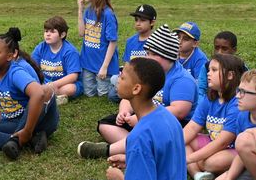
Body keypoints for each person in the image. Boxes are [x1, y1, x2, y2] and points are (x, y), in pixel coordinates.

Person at [73, 57, 197, 180]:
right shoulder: (166, 116)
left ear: (136, 89)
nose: (117, 80)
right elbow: (163, 158)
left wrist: (119, 178)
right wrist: (129, 158)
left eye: (122, 78)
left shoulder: (140, 135)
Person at [80, 24, 197, 159]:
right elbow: (130, 95)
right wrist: (124, 111)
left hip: (171, 123)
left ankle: (109, 150)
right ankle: (142, 147)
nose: (148, 58)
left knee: (153, 132)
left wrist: (144, 119)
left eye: (153, 54)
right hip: (143, 116)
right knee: (105, 125)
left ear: (169, 56)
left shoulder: (182, 79)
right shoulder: (147, 72)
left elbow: (179, 111)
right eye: (147, 53)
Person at [0, 28, 59, 160]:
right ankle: (29, 138)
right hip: (12, 122)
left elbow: (38, 94)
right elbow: (8, 97)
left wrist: (27, 130)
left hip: (38, 119)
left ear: (10, 56)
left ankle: (23, 137)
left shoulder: (15, 72)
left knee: (45, 90)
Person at [185, 54, 243, 180]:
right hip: (212, 142)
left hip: (232, 149)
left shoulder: (237, 103)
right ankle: (197, 175)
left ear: (230, 75)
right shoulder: (210, 98)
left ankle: (208, 169)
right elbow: (192, 127)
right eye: (209, 69)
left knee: (209, 162)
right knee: (183, 142)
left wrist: (189, 159)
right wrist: (172, 148)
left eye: (214, 70)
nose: (208, 73)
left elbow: (223, 142)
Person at [76, 0, 118, 97]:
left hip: (103, 64)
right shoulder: (88, 10)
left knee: (103, 94)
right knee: (89, 93)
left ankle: (116, 77)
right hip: (88, 63)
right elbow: (81, 33)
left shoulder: (108, 14)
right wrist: (80, 10)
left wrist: (104, 67)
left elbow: (112, 42)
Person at [108, 3, 156, 102]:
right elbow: (127, 64)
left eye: (142, 20)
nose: (138, 23)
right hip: (132, 78)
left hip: (148, 80)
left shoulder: (156, 42)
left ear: (152, 22)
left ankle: (137, 96)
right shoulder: (130, 41)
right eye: (136, 20)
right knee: (112, 94)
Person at [31, 16, 83, 105]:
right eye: (46, 31)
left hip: (63, 83)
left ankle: (45, 96)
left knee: (70, 89)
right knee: (31, 84)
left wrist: (54, 84)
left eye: (52, 32)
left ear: (62, 35)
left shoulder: (70, 51)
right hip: (45, 82)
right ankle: (51, 96)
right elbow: (32, 67)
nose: (48, 34)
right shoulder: (41, 48)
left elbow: (73, 76)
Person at [196, 32, 238, 101]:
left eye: (224, 49)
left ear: (234, 50)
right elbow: (200, 90)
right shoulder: (207, 66)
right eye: (216, 48)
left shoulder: (240, 68)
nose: (219, 52)